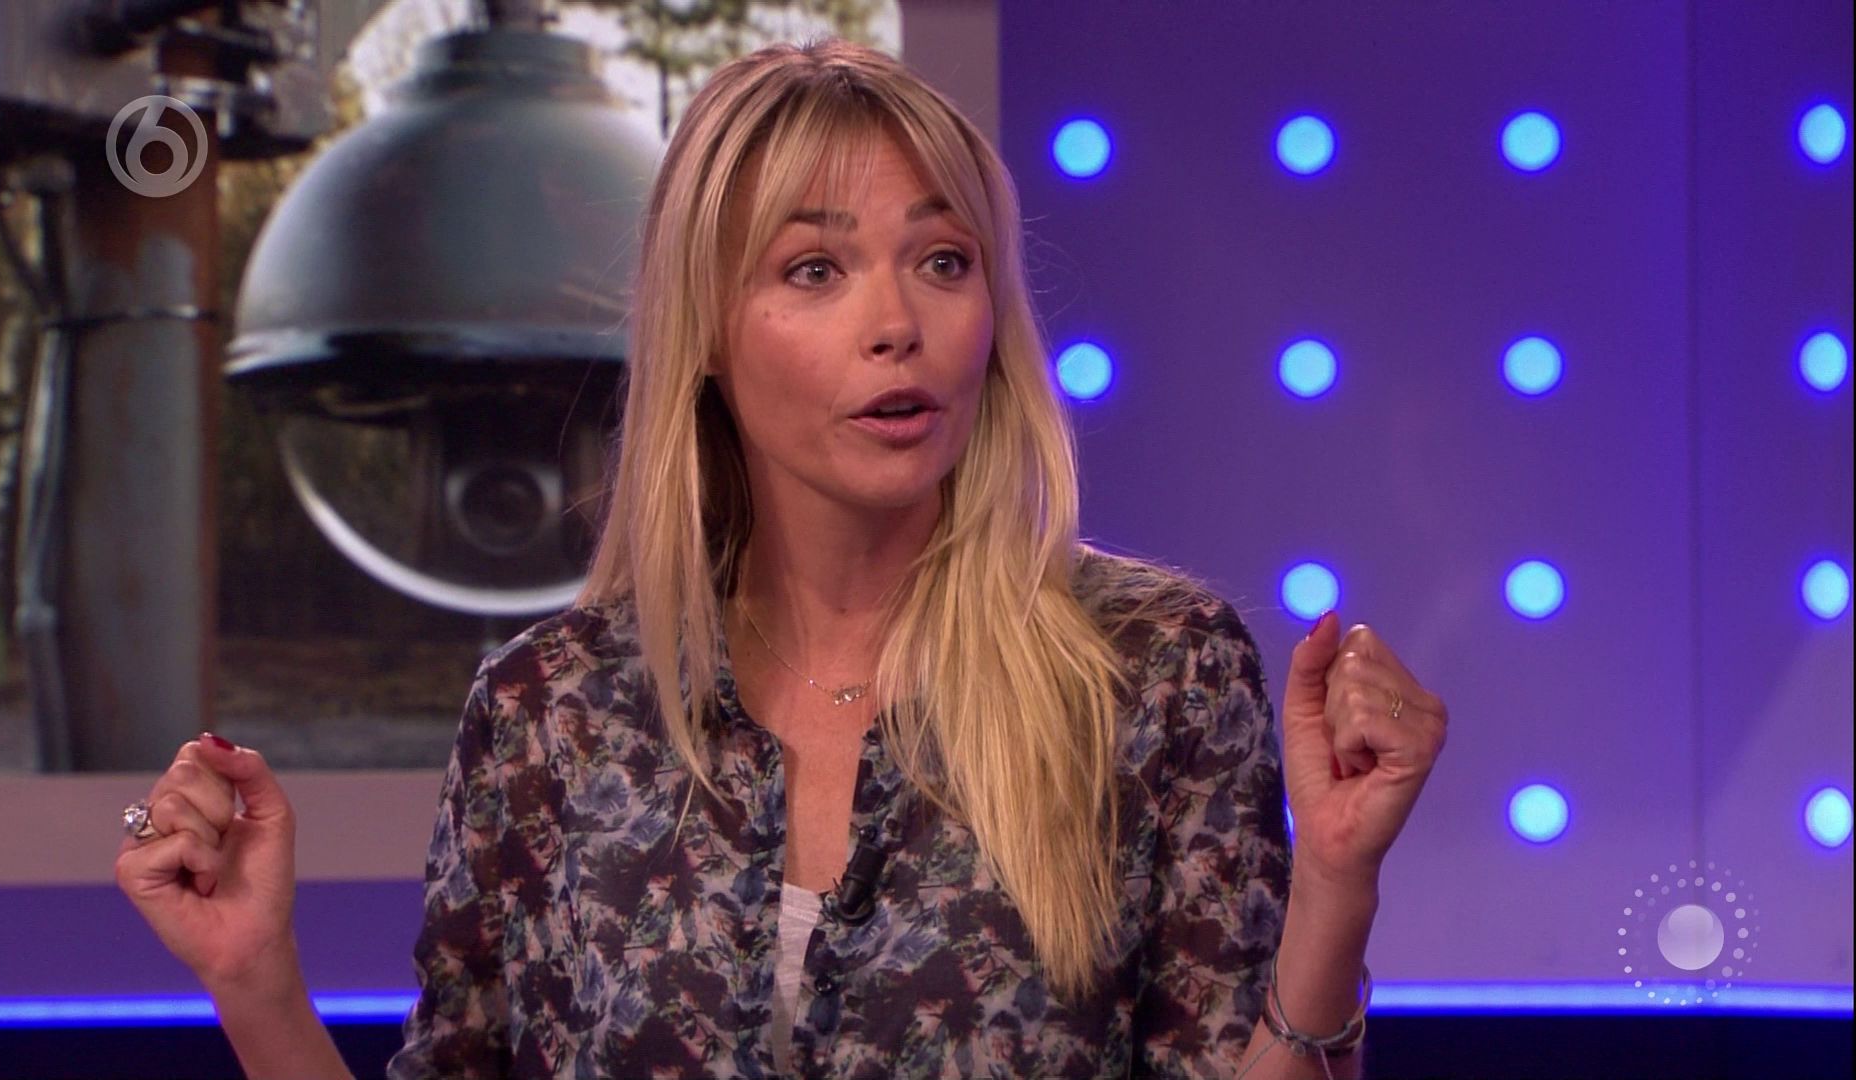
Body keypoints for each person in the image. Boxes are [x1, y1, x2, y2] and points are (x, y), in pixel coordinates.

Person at [115, 37, 1448, 1080]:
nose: (896, 322)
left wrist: (1337, 889)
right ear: (706, 326)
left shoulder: (1153, 669)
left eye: (942, 259)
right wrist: (255, 982)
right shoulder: (548, 712)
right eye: (815, 270)